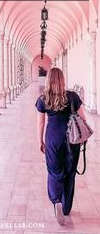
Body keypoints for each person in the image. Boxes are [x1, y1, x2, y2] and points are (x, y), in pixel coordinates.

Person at [35, 67, 86, 225]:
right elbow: (83, 119)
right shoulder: (72, 96)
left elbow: (40, 122)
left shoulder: (43, 98)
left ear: (48, 80)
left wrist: (40, 141)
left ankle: (56, 200)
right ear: (63, 80)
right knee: (70, 173)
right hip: (71, 140)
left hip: (53, 139)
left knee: (54, 171)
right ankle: (66, 207)